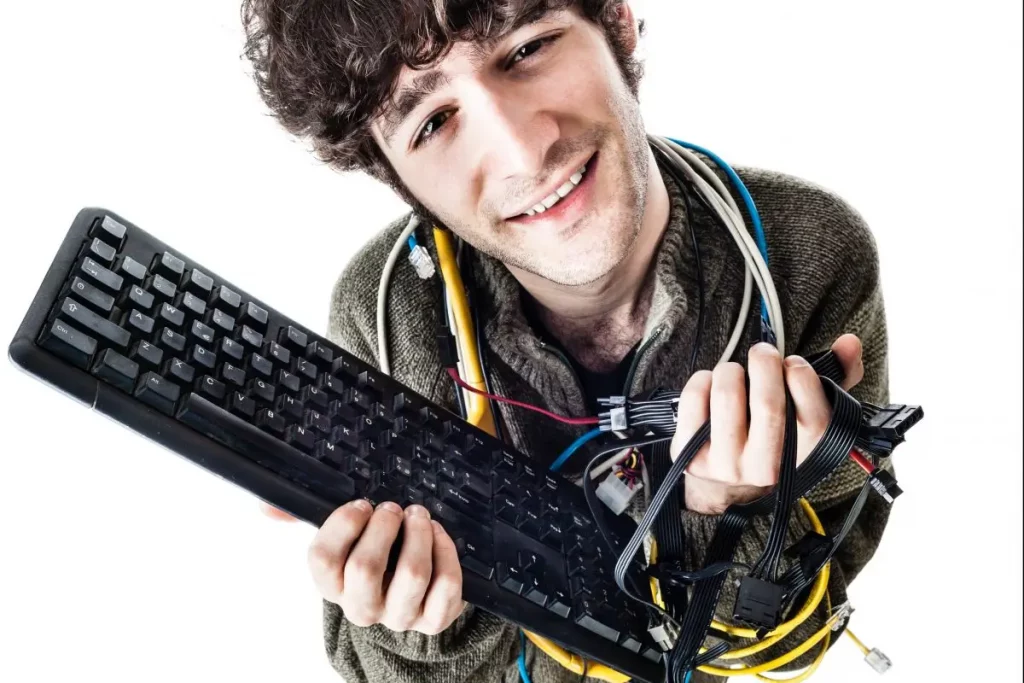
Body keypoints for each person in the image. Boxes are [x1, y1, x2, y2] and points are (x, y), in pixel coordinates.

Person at [240, 2, 893, 681]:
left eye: (527, 49)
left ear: (616, 20)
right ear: (399, 181)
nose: (523, 151)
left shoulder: (810, 252)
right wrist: (415, 617)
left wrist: (729, 513)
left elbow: (796, 638)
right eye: (433, 122)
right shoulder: (383, 314)